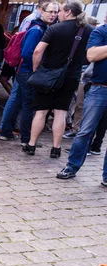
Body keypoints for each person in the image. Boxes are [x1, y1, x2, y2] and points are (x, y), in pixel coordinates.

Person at [24, 0, 92, 158]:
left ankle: (31, 144)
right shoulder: (88, 29)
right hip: (71, 77)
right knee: (61, 113)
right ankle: (56, 148)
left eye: (60, 11)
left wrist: (36, 70)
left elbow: (38, 51)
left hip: (48, 75)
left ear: (68, 12)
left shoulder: (55, 28)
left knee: (41, 112)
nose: (57, 14)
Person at [56, 14, 107, 181]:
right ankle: (71, 167)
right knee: (85, 131)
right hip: (100, 88)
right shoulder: (100, 32)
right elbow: (91, 55)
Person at [1, 0, 57, 145]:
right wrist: (35, 69)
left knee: (19, 101)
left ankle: (7, 132)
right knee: (28, 105)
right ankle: (25, 139)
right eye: (50, 11)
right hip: (27, 71)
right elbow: (27, 53)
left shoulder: (41, 27)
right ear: (42, 11)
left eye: (55, 12)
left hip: (25, 71)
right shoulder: (37, 29)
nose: (53, 15)